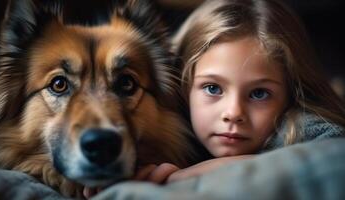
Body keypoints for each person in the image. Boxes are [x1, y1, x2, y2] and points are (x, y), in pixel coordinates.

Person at [134, 0, 345, 185]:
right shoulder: (168, 127)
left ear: (291, 94)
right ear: (184, 85)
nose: (233, 113)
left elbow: (333, 156)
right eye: (213, 88)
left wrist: (189, 175)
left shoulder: (299, 126)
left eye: (259, 93)